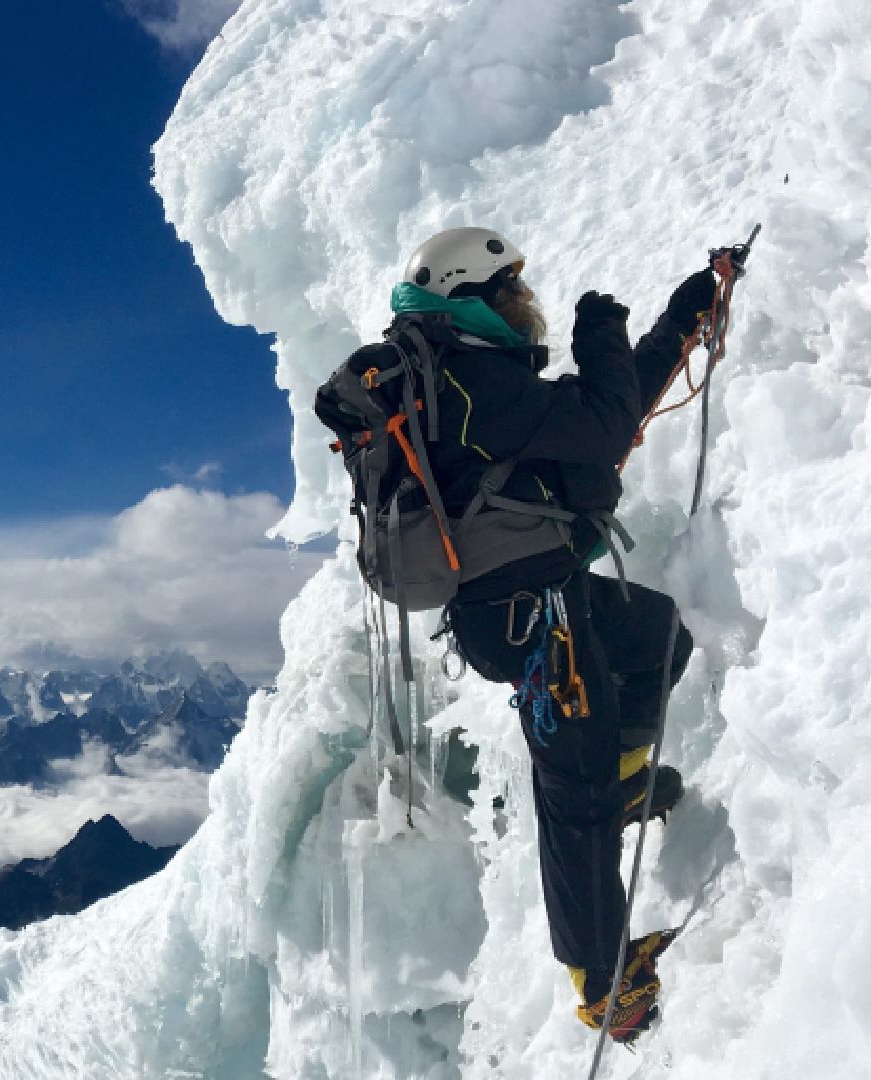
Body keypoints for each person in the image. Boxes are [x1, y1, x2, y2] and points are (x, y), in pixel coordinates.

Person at [362, 228, 715, 1041]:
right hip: (533, 626)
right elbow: (597, 427)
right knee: (574, 794)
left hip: (532, 605)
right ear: (469, 296)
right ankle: (604, 985)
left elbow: (603, 420)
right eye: (510, 291)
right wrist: (602, 334)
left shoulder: (469, 382)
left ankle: (625, 777)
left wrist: (684, 313)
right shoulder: (471, 383)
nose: (526, 304)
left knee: (655, 637)